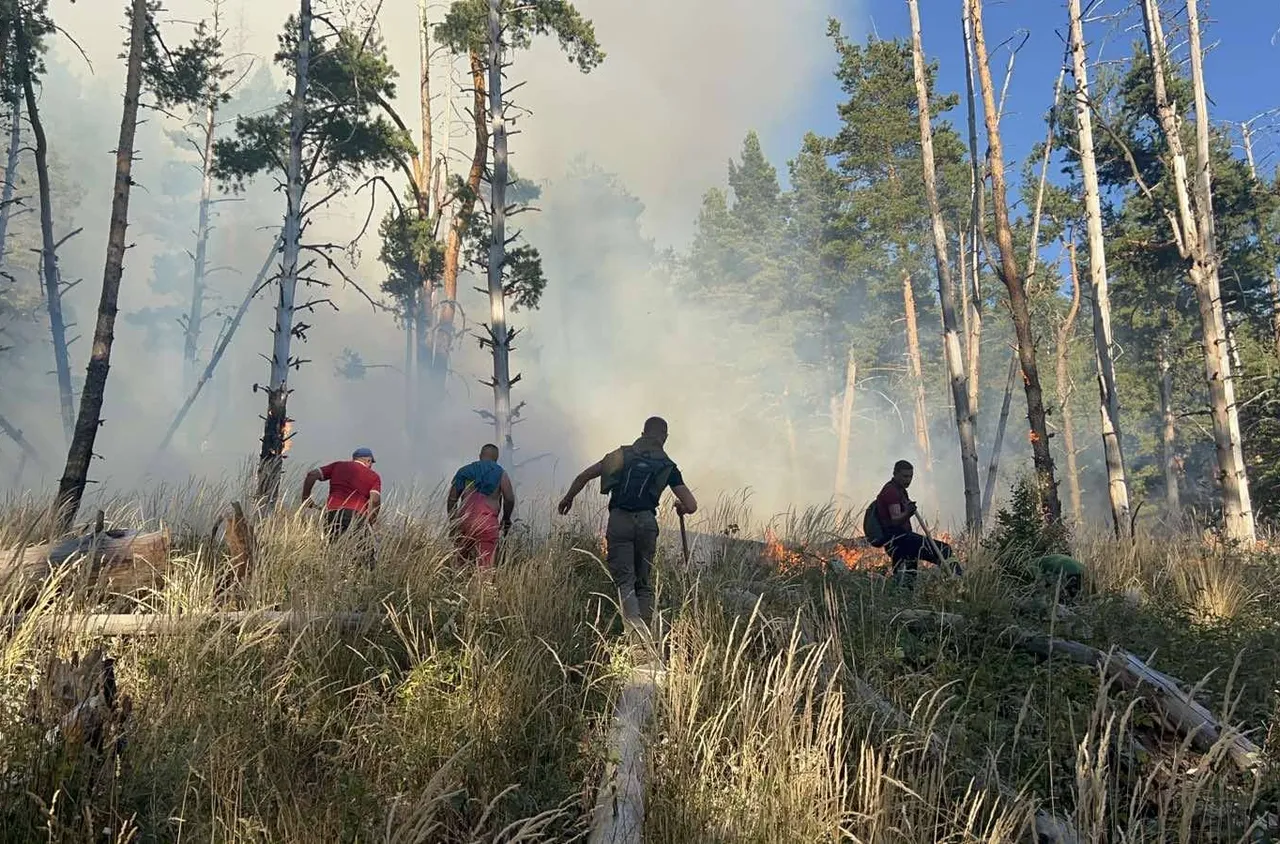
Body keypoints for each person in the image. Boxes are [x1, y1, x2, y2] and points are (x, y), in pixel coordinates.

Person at [557, 416, 697, 629]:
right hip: (647, 523)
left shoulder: (622, 455)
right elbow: (692, 505)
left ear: (642, 434)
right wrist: (682, 507)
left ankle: (634, 631)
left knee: (625, 581)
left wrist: (568, 498)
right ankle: (647, 635)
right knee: (643, 584)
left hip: (620, 520)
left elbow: (584, 476)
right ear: (665, 437)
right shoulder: (668, 465)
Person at [875, 459, 954, 588]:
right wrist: (908, 512)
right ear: (895, 474)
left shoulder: (900, 490)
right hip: (900, 540)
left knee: (908, 576)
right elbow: (895, 520)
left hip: (901, 540)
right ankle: (959, 583)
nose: (908, 480)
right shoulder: (891, 491)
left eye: (910, 476)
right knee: (944, 550)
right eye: (905, 476)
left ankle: (903, 600)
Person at [301, 447, 382, 557]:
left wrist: (306, 499)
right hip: (356, 517)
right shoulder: (374, 476)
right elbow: (375, 499)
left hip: (331, 515)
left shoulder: (338, 466)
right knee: (365, 556)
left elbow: (312, 475)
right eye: (371, 462)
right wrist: (372, 520)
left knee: (331, 551)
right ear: (368, 461)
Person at [447, 444, 515, 570]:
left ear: (480, 456)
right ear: (496, 459)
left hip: (464, 521)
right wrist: (506, 519)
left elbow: (452, 499)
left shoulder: (464, 471)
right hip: (487, 525)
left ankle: (457, 584)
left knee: (459, 564)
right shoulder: (500, 473)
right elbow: (509, 499)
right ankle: (482, 587)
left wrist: (453, 522)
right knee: (485, 569)